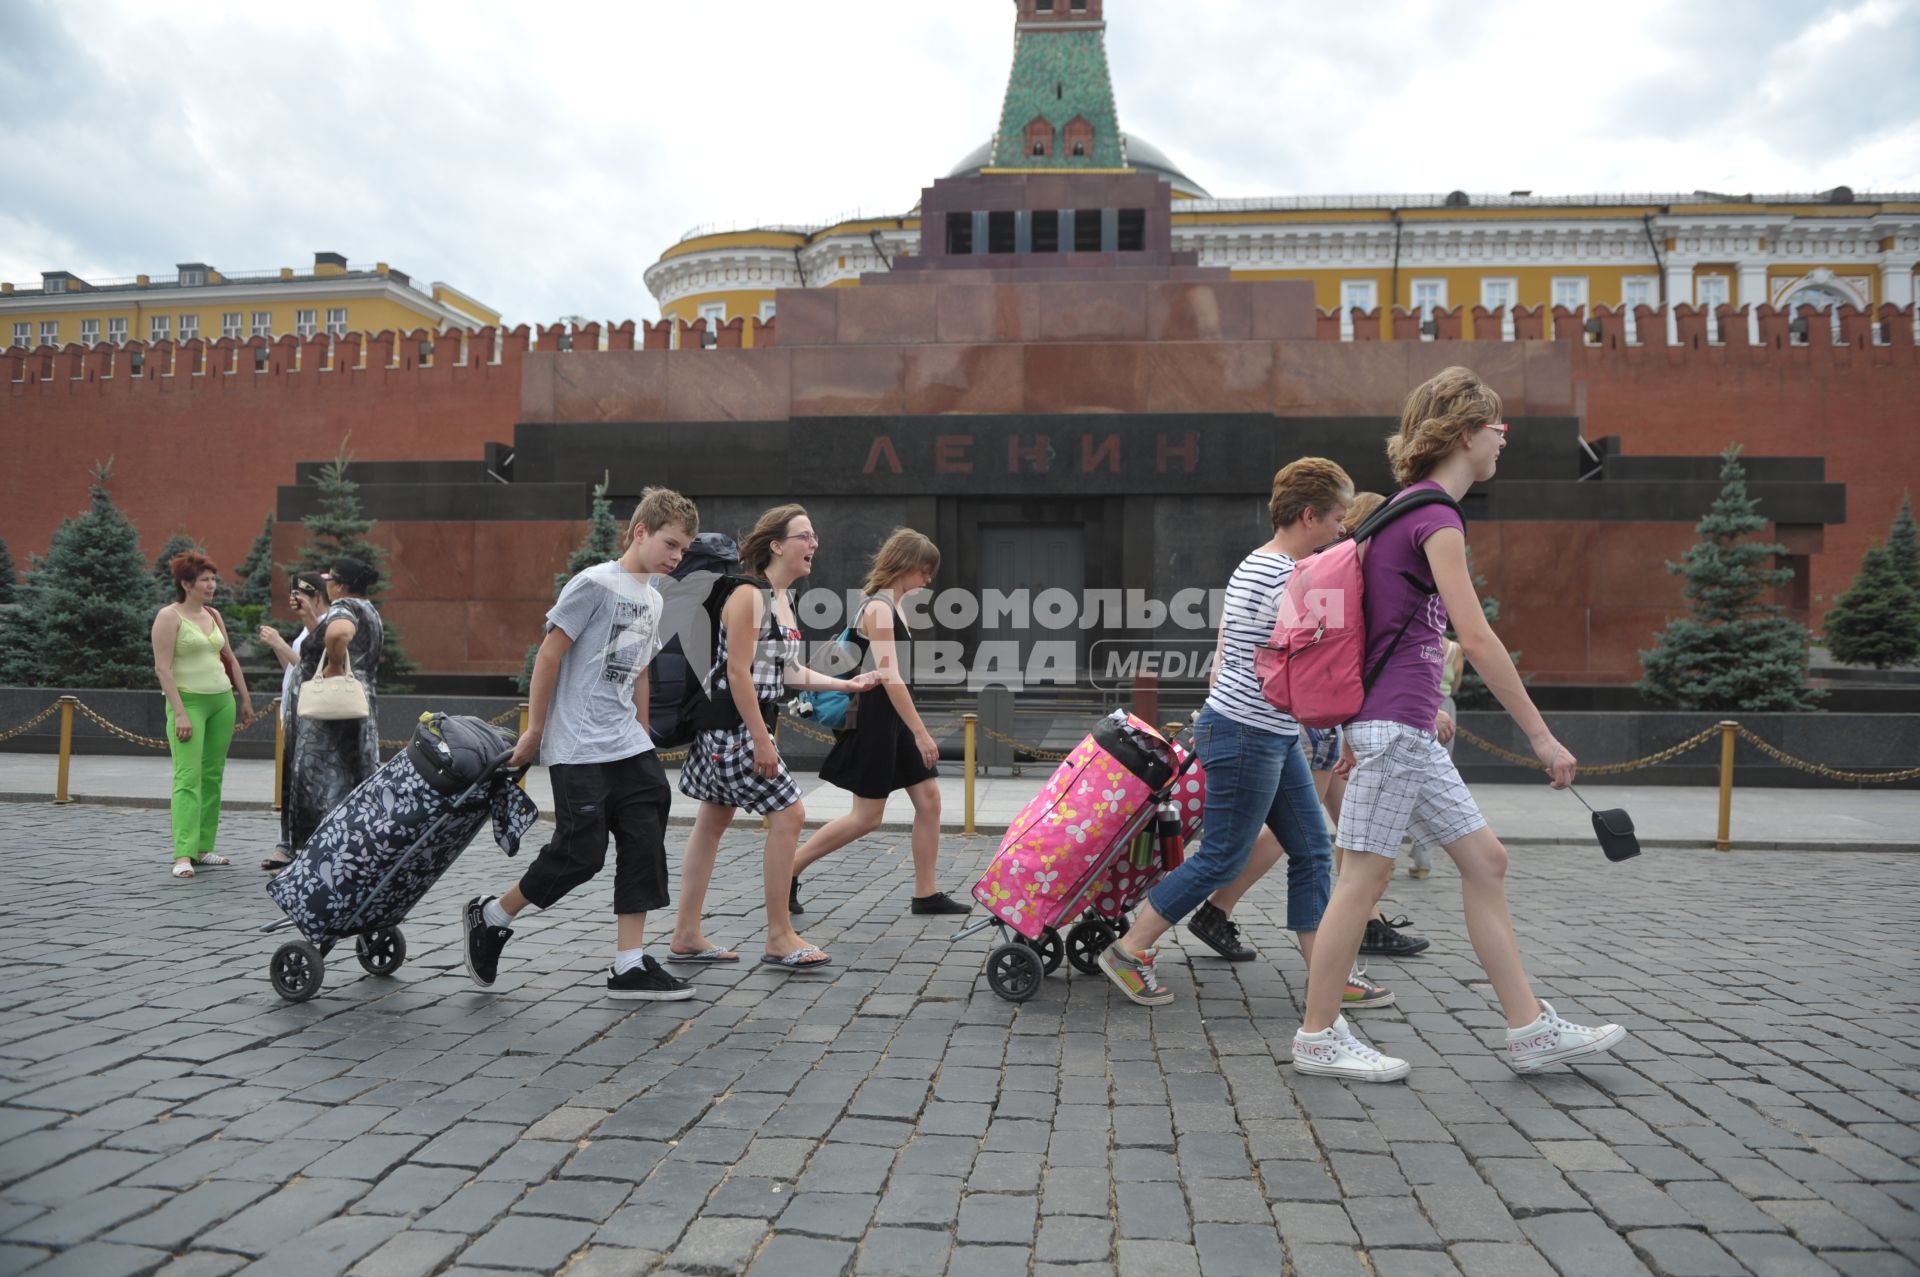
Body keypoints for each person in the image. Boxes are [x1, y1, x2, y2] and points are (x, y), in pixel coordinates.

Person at [1292, 366, 1626, 1082]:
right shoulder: (1434, 516)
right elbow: (1475, 638)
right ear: (1470, 433)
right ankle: (1318, 1034)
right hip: (1397, 731)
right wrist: (1541, 735)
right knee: (1361, 879)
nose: (1504, 438)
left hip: (1402, 728)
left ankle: (1529, 1027)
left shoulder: (1400, 510)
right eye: (1498, 426)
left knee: (1486, 861)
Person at [1097, 458, 1370, 1009]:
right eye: (1339, 517)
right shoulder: (1285, 575)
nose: (1344, 528)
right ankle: (1129, 950)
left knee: (1314, 847)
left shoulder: (1264, 564)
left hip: (1265, 731)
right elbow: (1314, 662)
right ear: (1311, 515)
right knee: (1223, 856)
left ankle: (1327, 973)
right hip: (1247, 732)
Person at [463, 488, 701, 999]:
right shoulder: (594, 584)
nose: (677, 557)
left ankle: (629, 964)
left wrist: (641, 732)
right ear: (641, 531)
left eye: (684, 550)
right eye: (671, 544)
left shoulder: (654, 598)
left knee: (643, 842)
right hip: (576, 747)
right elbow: (549, 655)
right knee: (581, 853)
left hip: (627, 745)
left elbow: (639, 669)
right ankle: (492, 916)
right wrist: (535, 731)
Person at [669, 505, 881, 971]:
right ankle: (779, 935)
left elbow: (787, 671)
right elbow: (738, 673)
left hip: (734, 726)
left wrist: (848, 684)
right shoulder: (748, 596)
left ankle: (685, 933)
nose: (814, 545)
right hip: (734, 729)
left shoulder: (782, 600)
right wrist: (762, 740)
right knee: (791, 814)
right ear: (777, 545)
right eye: (805, 536)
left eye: (815, 536)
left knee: (712, 821)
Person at [788, 528, 970, 919]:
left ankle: (926, 893)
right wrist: (921, 732)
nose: (928, 580)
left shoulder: (891, 606)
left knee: (929, 800)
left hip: (890, 717)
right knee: (867, 817)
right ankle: (785, 870)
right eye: (925, 571)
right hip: (875, 718)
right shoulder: (879, 609)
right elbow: (890, 677)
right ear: (907, 566)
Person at [151, 552, 255, 878]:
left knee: (212, 776)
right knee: (188, 778)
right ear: (186, 584)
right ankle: (183, 853)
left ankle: (202, 848)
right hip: (189, 704)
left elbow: (230, 659)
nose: (212, 585)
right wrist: (179, 713)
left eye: (213, 579)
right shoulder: (169, 617)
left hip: (221, 702)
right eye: (206, 580)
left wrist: (245, 700)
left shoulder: (213, 614)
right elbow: (162, 669)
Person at [283, 557, 384, 855]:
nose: (326, 584)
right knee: (353, 779)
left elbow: (340, 633)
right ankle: (353, 850)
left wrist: (335, 666)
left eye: (330, 580)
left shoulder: (344, 607)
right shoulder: (369, 609)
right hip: (357, 705)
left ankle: (315, 856)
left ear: (339, 585)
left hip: (331, 714)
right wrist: (313, 618)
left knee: (319, 783)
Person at [258, 572, 327, 870]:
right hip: (294, 709)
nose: (296, 603)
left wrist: (280, 643)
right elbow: (291, 668)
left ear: (318, 597)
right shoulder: (305, 629)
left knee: (304, 781)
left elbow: (314, 667)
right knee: (293, 781)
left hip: (311, 712)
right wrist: (278, 646)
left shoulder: (327, 626)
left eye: (301, 596)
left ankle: (290, 844)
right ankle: (288, 843)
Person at [1409, 637, 1465, 879]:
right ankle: (1423, 857)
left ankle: (1390, 860)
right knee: (1433, 780)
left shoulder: (1416, 639)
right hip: (1441, 707)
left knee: (1410, 779)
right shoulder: (1454, 650)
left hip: (1421, 706)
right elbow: (1455, 686)